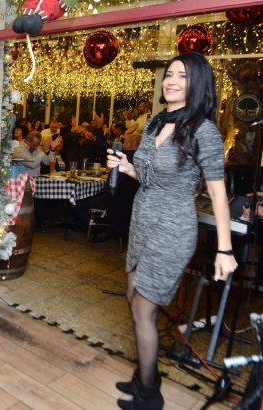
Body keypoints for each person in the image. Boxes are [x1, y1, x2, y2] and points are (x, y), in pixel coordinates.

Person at [106, 52, 238, 410]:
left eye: (182, 75)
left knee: (144, 309)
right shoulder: (154, 123)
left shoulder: (204, 131)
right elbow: (150, 176)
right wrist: (128, 168)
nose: (172, 81)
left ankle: (150, 395)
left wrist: (225, 249)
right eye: (169, 74)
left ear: (198, 84)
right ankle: (144, 375)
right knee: (133, 299)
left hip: (173, 228)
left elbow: (218, 193)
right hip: (143, 220)